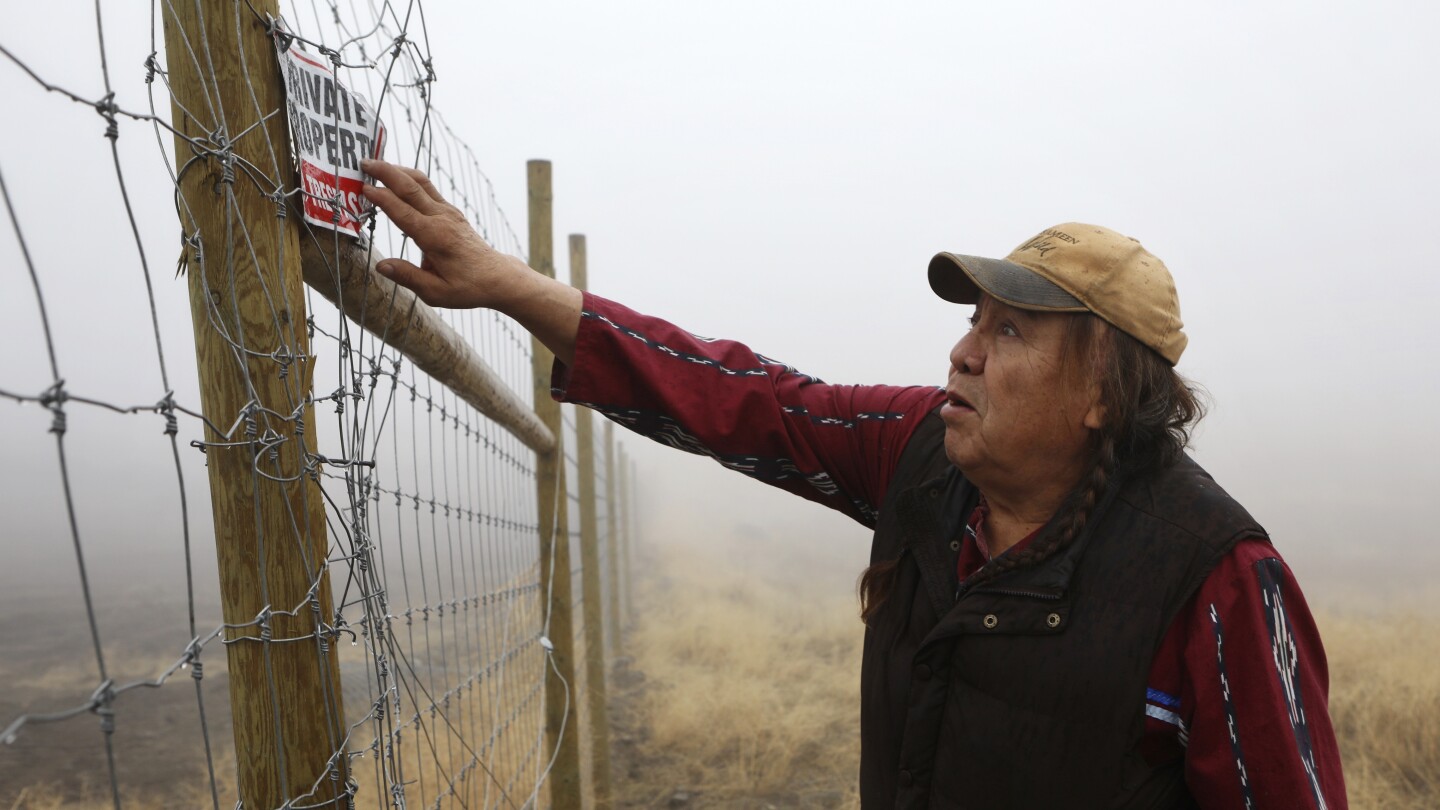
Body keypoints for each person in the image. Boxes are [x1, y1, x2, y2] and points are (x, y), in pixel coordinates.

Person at [360, 159, 1347, 809]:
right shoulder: (925, 451)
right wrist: (507, 284)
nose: (961, 353)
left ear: (1101, 387)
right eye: (973, 322)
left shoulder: (1213, 580)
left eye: (1009, 331)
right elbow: (752, 400)